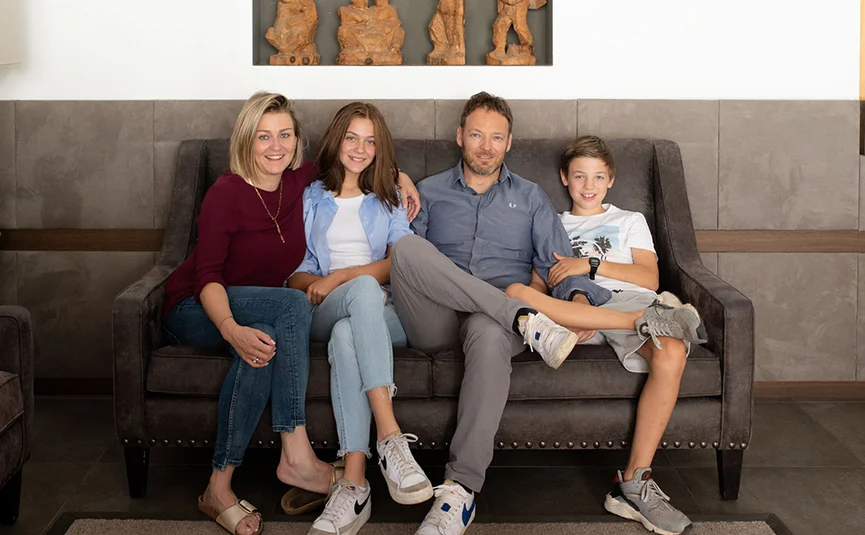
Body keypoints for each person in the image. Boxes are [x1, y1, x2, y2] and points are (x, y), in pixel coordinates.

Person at [161, 92, 420, 535]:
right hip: (200, 302)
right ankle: (304, 452)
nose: (275, 145)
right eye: (264, 136)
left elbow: (358, 163)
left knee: (263, 343)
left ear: (298, 141)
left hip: (261, 308)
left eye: (284, 135)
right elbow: (207, 276)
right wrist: (228, 328)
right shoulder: (227, 193)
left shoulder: (296, 180)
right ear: (246, 139)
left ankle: (219, 487)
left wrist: (400, 176)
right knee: (291, 304)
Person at [388, 91, 612, 535]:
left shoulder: (530, 198)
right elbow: (404, 263)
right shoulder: (428, 192)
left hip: (489, 327)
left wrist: (579, 305)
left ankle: (458, 493)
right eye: (476, 135)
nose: (485, 146)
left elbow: (559, 266)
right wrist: (396, 174)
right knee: (408, 247)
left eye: (496, 137)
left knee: (490, 333)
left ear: (509, 143)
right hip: (433, 317)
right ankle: (520, 317)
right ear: (459, 137)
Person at [504, 135, 707, 535]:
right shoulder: (552, 222)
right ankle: (612, 321)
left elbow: (648, 276)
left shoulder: (630, 220)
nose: (588, 185)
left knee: (670, 353)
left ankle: (633, 483)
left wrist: (589, 265)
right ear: (565, 178)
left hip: (631, 301)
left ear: (610, 179)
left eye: (598, 176)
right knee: (515, 293)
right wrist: (552, 305)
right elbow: (539, 284)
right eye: (579, 175)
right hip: (577, 309)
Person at [287, 102, 432, 535]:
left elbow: (398, 263)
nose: (360, 148)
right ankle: (389, 438)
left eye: (371, 141)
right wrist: (324, 283)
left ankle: (353, 483)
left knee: (353, 324)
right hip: (320, 305)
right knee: (359, 299)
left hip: (378, 313)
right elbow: (293, 270)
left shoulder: (387, 199)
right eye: (352, 137)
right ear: (337, 140)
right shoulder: (310, 196)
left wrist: (346, 277)